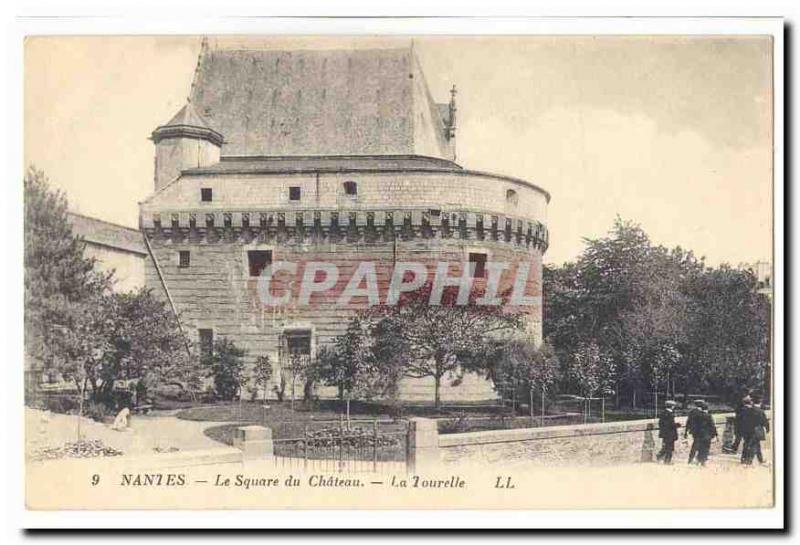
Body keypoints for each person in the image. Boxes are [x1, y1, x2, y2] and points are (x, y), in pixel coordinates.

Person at [738, 397, 770, 465]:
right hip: (756, 431)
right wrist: (767, 429)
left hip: (746, 430)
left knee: (749, 444)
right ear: (760, 402)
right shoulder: (760, 411)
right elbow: (765, 421)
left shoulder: (746, 410)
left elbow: (741, 420)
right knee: (754, 445)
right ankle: (749, 460)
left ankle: (757, 459)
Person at [694, 401, 718, 466]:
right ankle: (703, 461)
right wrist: (715, 434)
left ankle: (698, 459)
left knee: (700, 447)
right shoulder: (708, 416)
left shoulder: (697, 415)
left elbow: (695, 425)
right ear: (707, 409)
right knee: (706, 448)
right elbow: (712, 425)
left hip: (699, 434)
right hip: (706, 434)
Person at [656, 400, 681, 464]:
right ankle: (667, 461)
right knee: (670, 448)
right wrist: (677, 425)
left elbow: (661, 423)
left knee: (666, 447)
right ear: (672, 406)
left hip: (665, 433)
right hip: (670, 433)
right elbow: (670, 424)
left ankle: (660, 456)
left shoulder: (663, 413)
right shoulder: (670, 414)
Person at [684, 399, 704, 464]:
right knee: (698, 445)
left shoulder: (692, 412)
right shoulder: (701, 412)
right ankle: (697, 459)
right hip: (700, 431)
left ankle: (691, 459)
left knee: (695, 445)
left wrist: (686, 431)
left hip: (694, 431)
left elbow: (688, 422)